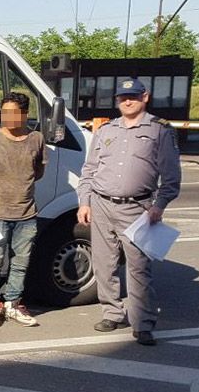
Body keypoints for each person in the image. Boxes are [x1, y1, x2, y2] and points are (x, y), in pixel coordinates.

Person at [77, 77, 182, 346]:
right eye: (123, 98)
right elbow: (89, 170)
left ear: (145, 97)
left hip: (138, 208)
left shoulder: (160, 130)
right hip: (101, 204)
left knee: (139, 269)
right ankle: (112, 313)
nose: (127, 101)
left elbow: (171, 177)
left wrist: (159, 205)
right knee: (104, 264)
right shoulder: (106, 130)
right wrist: (84, 201)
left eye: (133, 97)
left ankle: (143, 322)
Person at [0, 92, 47, 329]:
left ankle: (13, 303)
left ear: (24, 114)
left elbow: (38, 171)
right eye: (3, 112)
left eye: (12, 113)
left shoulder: (36, 139)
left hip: (27, 214)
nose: (6, 117)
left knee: (20, 263)